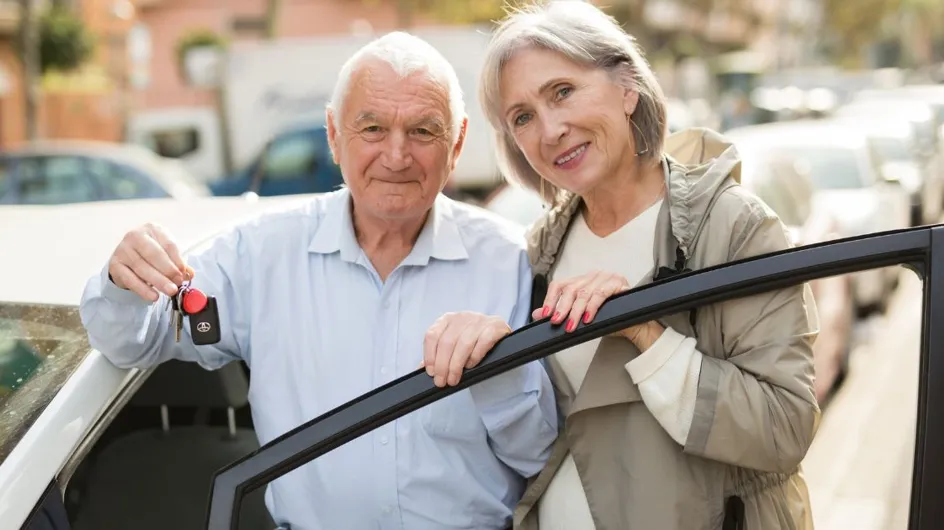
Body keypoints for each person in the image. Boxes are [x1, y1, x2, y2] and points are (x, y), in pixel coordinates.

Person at [79, 32, 558, 530]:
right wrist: (123, 279)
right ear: (333, 135)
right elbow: (133, 341)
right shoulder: (260, 255)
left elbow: (540, 457)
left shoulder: (513, 261)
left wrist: (502, 371)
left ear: (456, 144)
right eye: (372, 128)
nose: (396, 156)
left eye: (422, 131)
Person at [422, 2, 820, 529]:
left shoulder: (732, 227)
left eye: (562, 92)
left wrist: (643, 331)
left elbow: (783, 427)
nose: (550, 129)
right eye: (523, 117)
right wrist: (501, 357)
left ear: (627, 86)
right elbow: (547, 436)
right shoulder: (541, 247)